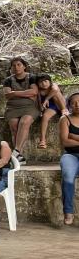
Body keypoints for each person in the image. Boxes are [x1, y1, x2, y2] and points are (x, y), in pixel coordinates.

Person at [3, 57, 39, 164]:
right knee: (14, 125)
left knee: (24, 122)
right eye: (14, 65)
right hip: (13, 107)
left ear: (24, 66)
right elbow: (7, 95)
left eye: (19, 64)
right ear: (11, 68)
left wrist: (15, 93)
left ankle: (16, 151)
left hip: (30, 106)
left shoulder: (31, 77)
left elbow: (34, 92)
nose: (16, 67)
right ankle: (19, 156)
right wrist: (25, 93)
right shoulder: (8, 80)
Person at [59, 92, 79, 225]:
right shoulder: (65, 119)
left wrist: (74, 136)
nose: (77, 105)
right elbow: (65, 142)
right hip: (71, 155)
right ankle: (68, 211)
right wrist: (70, 138)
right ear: (69, 105)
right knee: (67, 174)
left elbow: (70, 138)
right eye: (74, 103)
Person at [36, 74, 69, 149]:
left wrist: (46, 99)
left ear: (50, 81)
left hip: (62, 104)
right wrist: (41, 108)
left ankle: (63, 110)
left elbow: (55, 90)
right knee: (45, 117)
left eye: (45, 81)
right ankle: (43, 140)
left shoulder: (53, 85)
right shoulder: (39, 91)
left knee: (55, 93)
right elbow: (38, 101)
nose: (44, 84)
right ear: (38, 84)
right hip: (51, 107)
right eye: (41, 82)